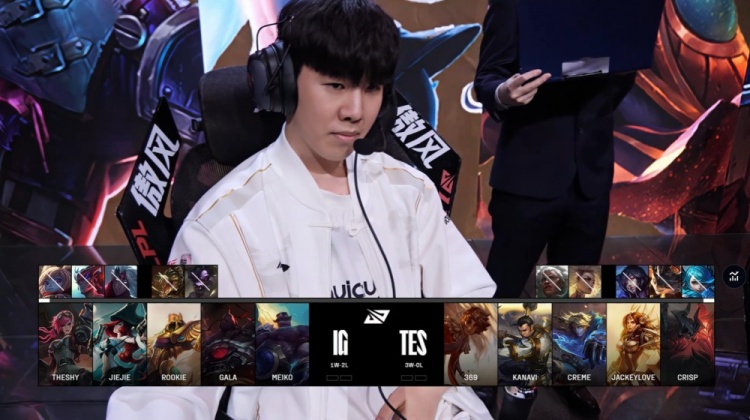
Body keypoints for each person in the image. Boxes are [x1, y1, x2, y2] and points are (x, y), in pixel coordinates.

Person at [108, 1, 495, 419]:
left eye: (370, 89)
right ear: (286, 83)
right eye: (336, 85)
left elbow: (477, 315)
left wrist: (424, 389)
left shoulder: (410, 193)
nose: (356, 112)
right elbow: (165, 384)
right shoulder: (220, 222)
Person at [474, 0, 634, 416]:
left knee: (576, 290)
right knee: (504, 287)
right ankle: (483, 379)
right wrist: (505, 94)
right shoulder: (514, 4)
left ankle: (566, 374)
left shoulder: (614, 10)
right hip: (527, 174)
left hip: (590, 175)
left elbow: (625, 73)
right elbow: (486, 80)